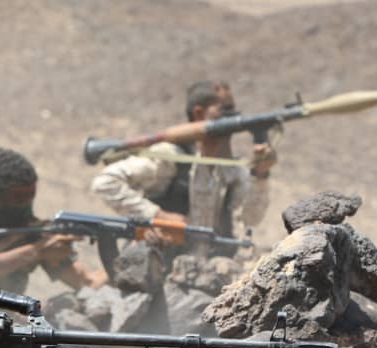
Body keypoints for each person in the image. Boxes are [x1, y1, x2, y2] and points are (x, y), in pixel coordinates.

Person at [89, 80, 278, 257]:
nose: (234, 117)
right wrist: (159, 216)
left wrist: (261, 174)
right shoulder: (171, 157)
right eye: (224, 110)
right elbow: (106, 183)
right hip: (160, 262)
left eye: (233, 110)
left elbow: (251, 218)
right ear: (199, 114)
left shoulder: (232, 170)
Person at [0, 147, 106, 305]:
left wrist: (118, 259)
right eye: (19, 198)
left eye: (31, 196)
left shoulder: (34, 232)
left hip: (6, 320)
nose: (27, 204)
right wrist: (37, 251)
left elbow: (86, 283)